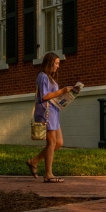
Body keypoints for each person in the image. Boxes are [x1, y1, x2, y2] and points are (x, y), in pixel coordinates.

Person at [26, 52, 73, 183]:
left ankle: (34, 161)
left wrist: (66, 96)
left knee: (59, 142)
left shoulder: (50, 78)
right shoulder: (43, 77)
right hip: (45, 112)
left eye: (58, 63)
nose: (58, 66)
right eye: (56, 63)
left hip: (53, 111)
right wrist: (62, 91)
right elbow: (44, 96)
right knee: (51, 143)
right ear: (50, 63)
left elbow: (52, 95)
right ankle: (48, 174)